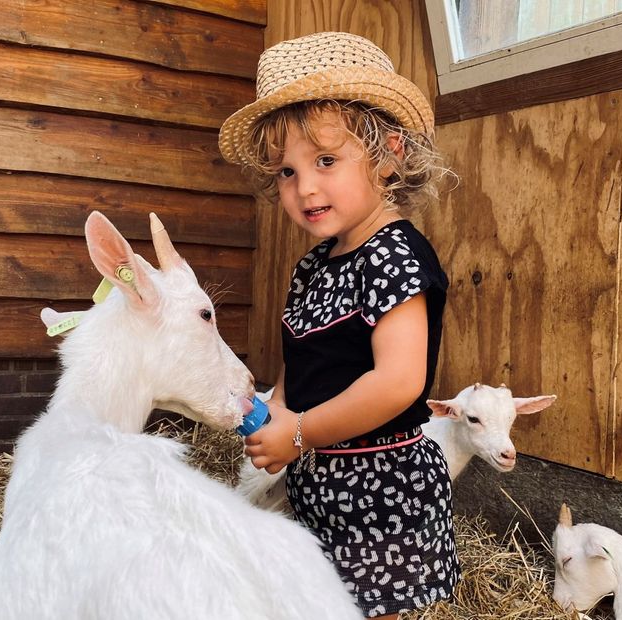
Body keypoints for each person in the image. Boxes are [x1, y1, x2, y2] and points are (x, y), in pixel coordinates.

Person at [218, 31, 459, 619]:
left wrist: (298, 432)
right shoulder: (313, 266)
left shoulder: (396, 257)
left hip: (383, 491)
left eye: (325, 161)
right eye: (285, 172)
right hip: (324, 485)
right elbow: (307, 356)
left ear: (389, 154)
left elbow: (398, 382)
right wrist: (277, 405)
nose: (304, 187)